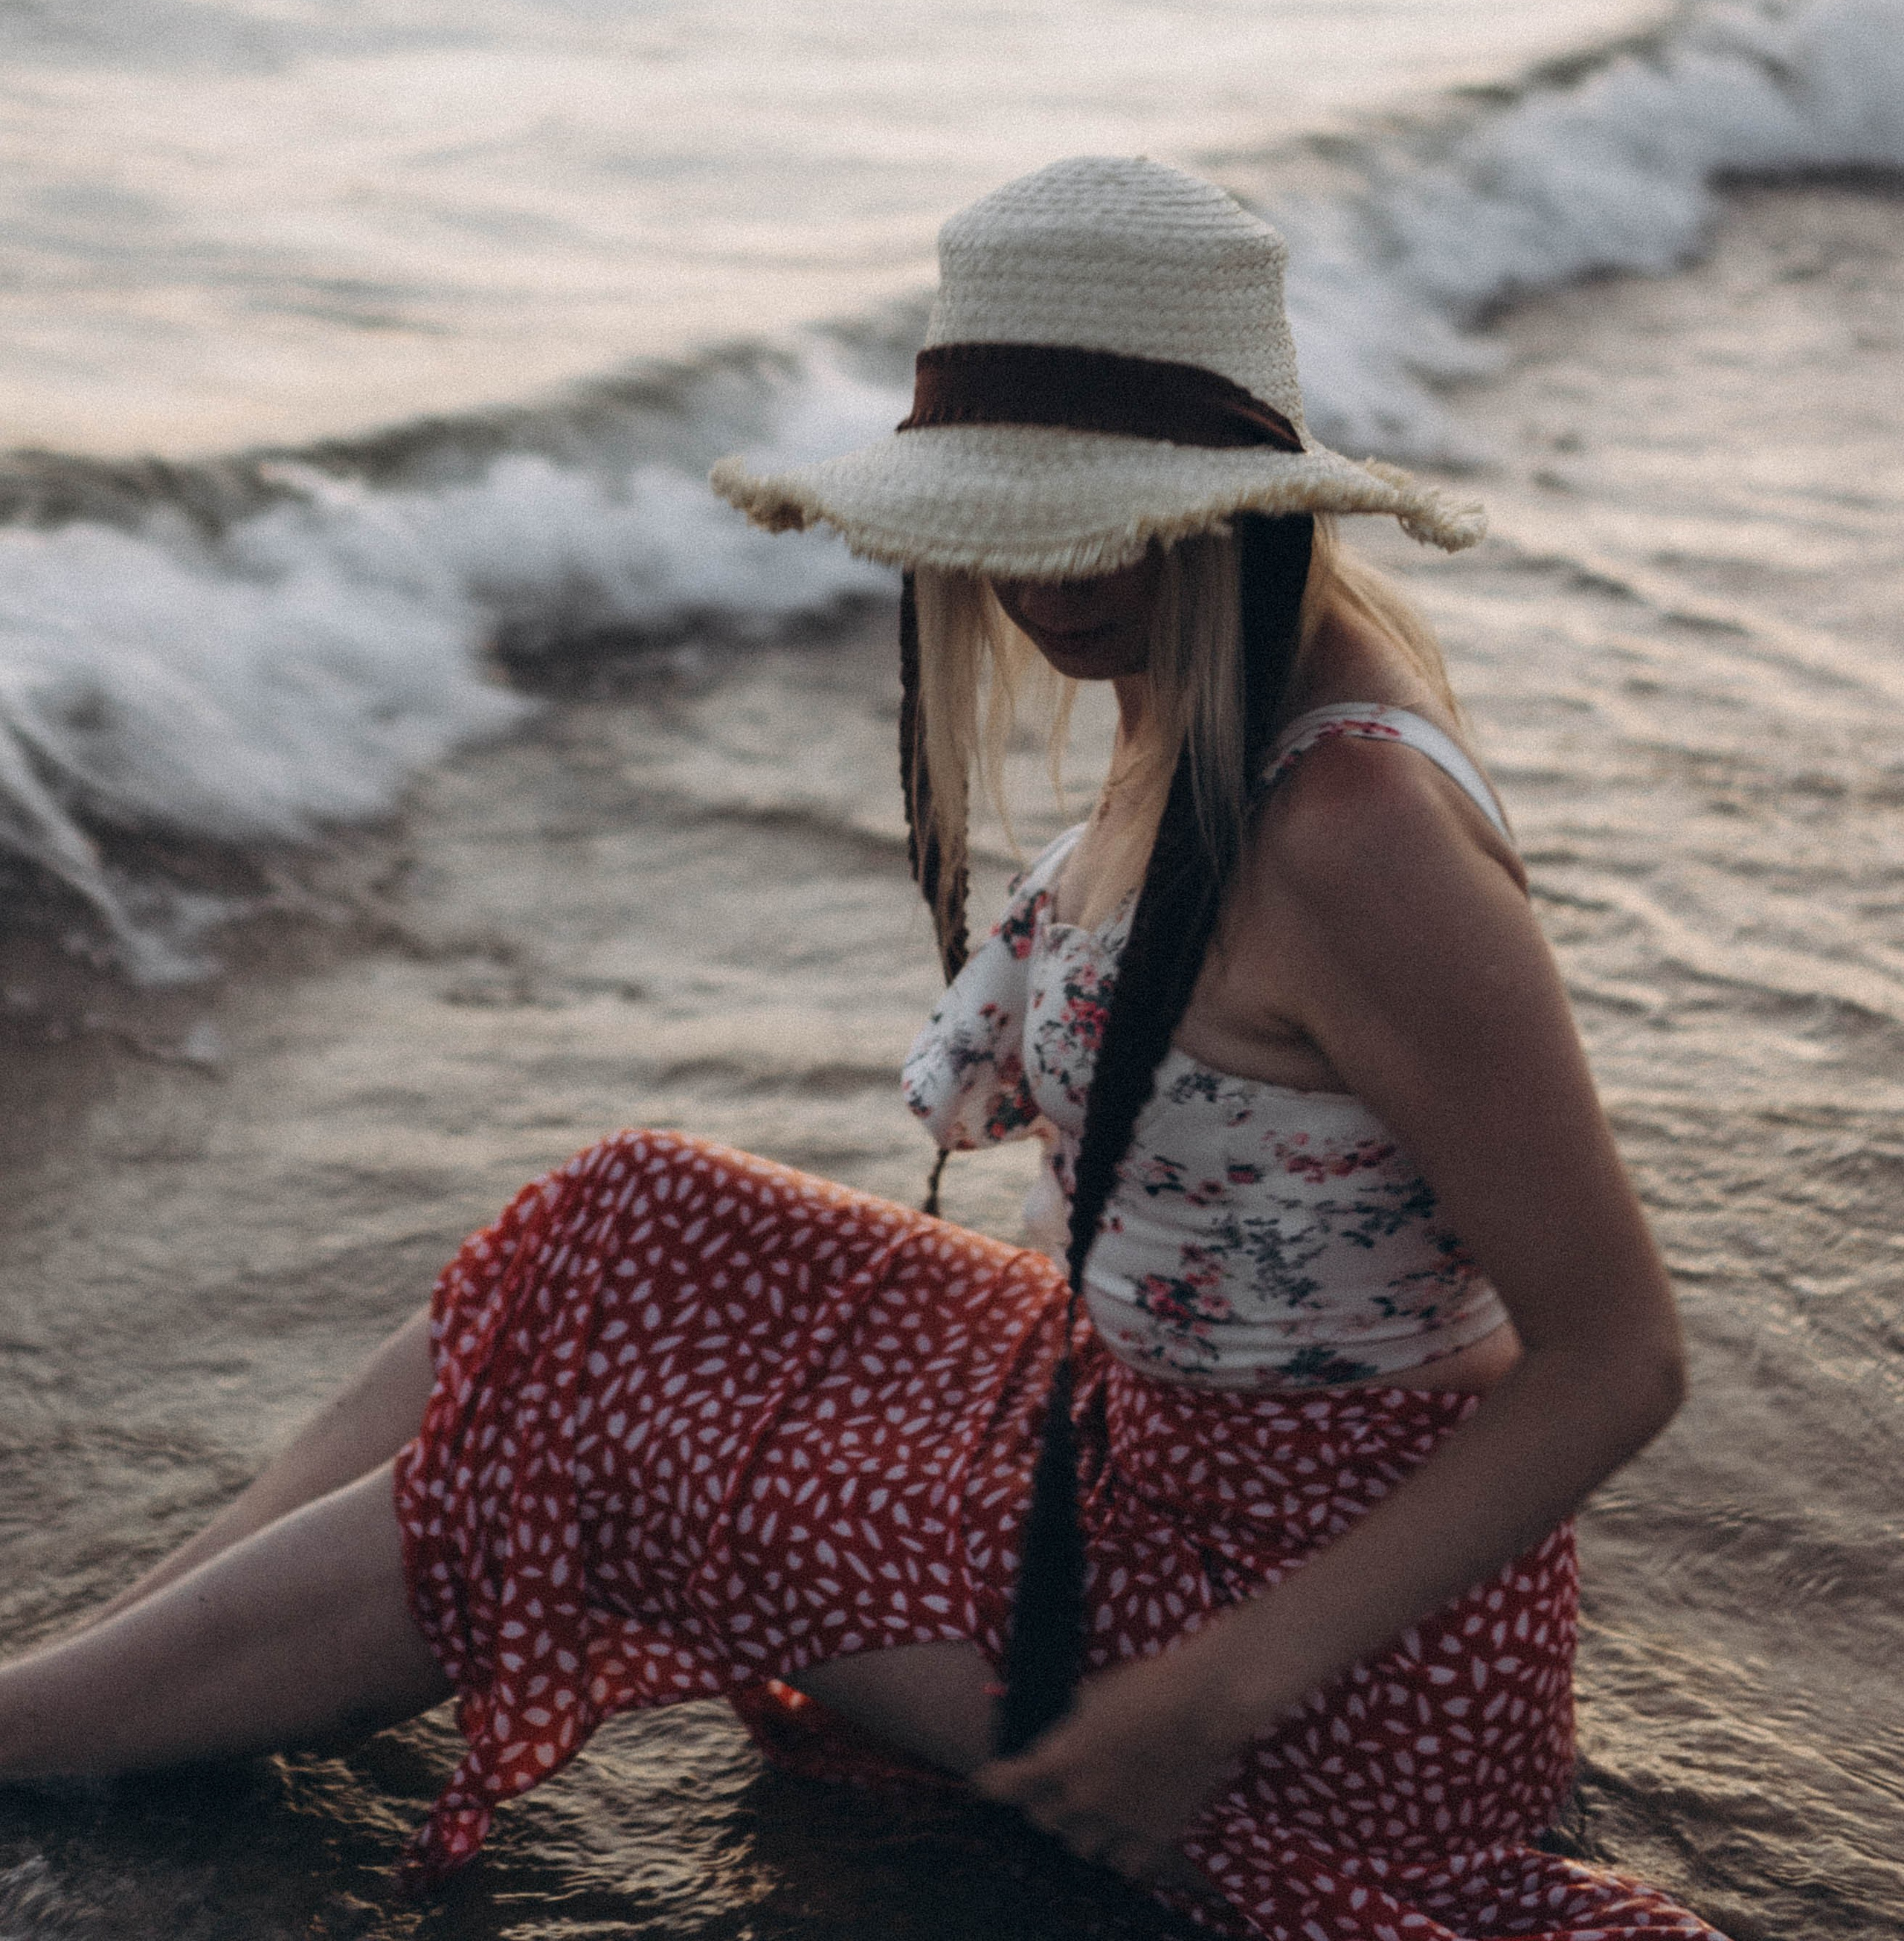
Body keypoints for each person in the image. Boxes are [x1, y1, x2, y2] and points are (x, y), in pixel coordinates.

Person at [0, 157, 1723, 1941]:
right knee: (631, 1213)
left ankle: (60, 1727)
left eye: (1104, 521)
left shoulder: (1347, 828)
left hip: (1303, 1664)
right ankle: (123, 1673)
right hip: (1138, 1453)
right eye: (1005, 520)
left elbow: (1615, 1356)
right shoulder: (1218, 690)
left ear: (1241, 497)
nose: (1041, 584)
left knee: (594, 1441)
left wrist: (1208, 1694)